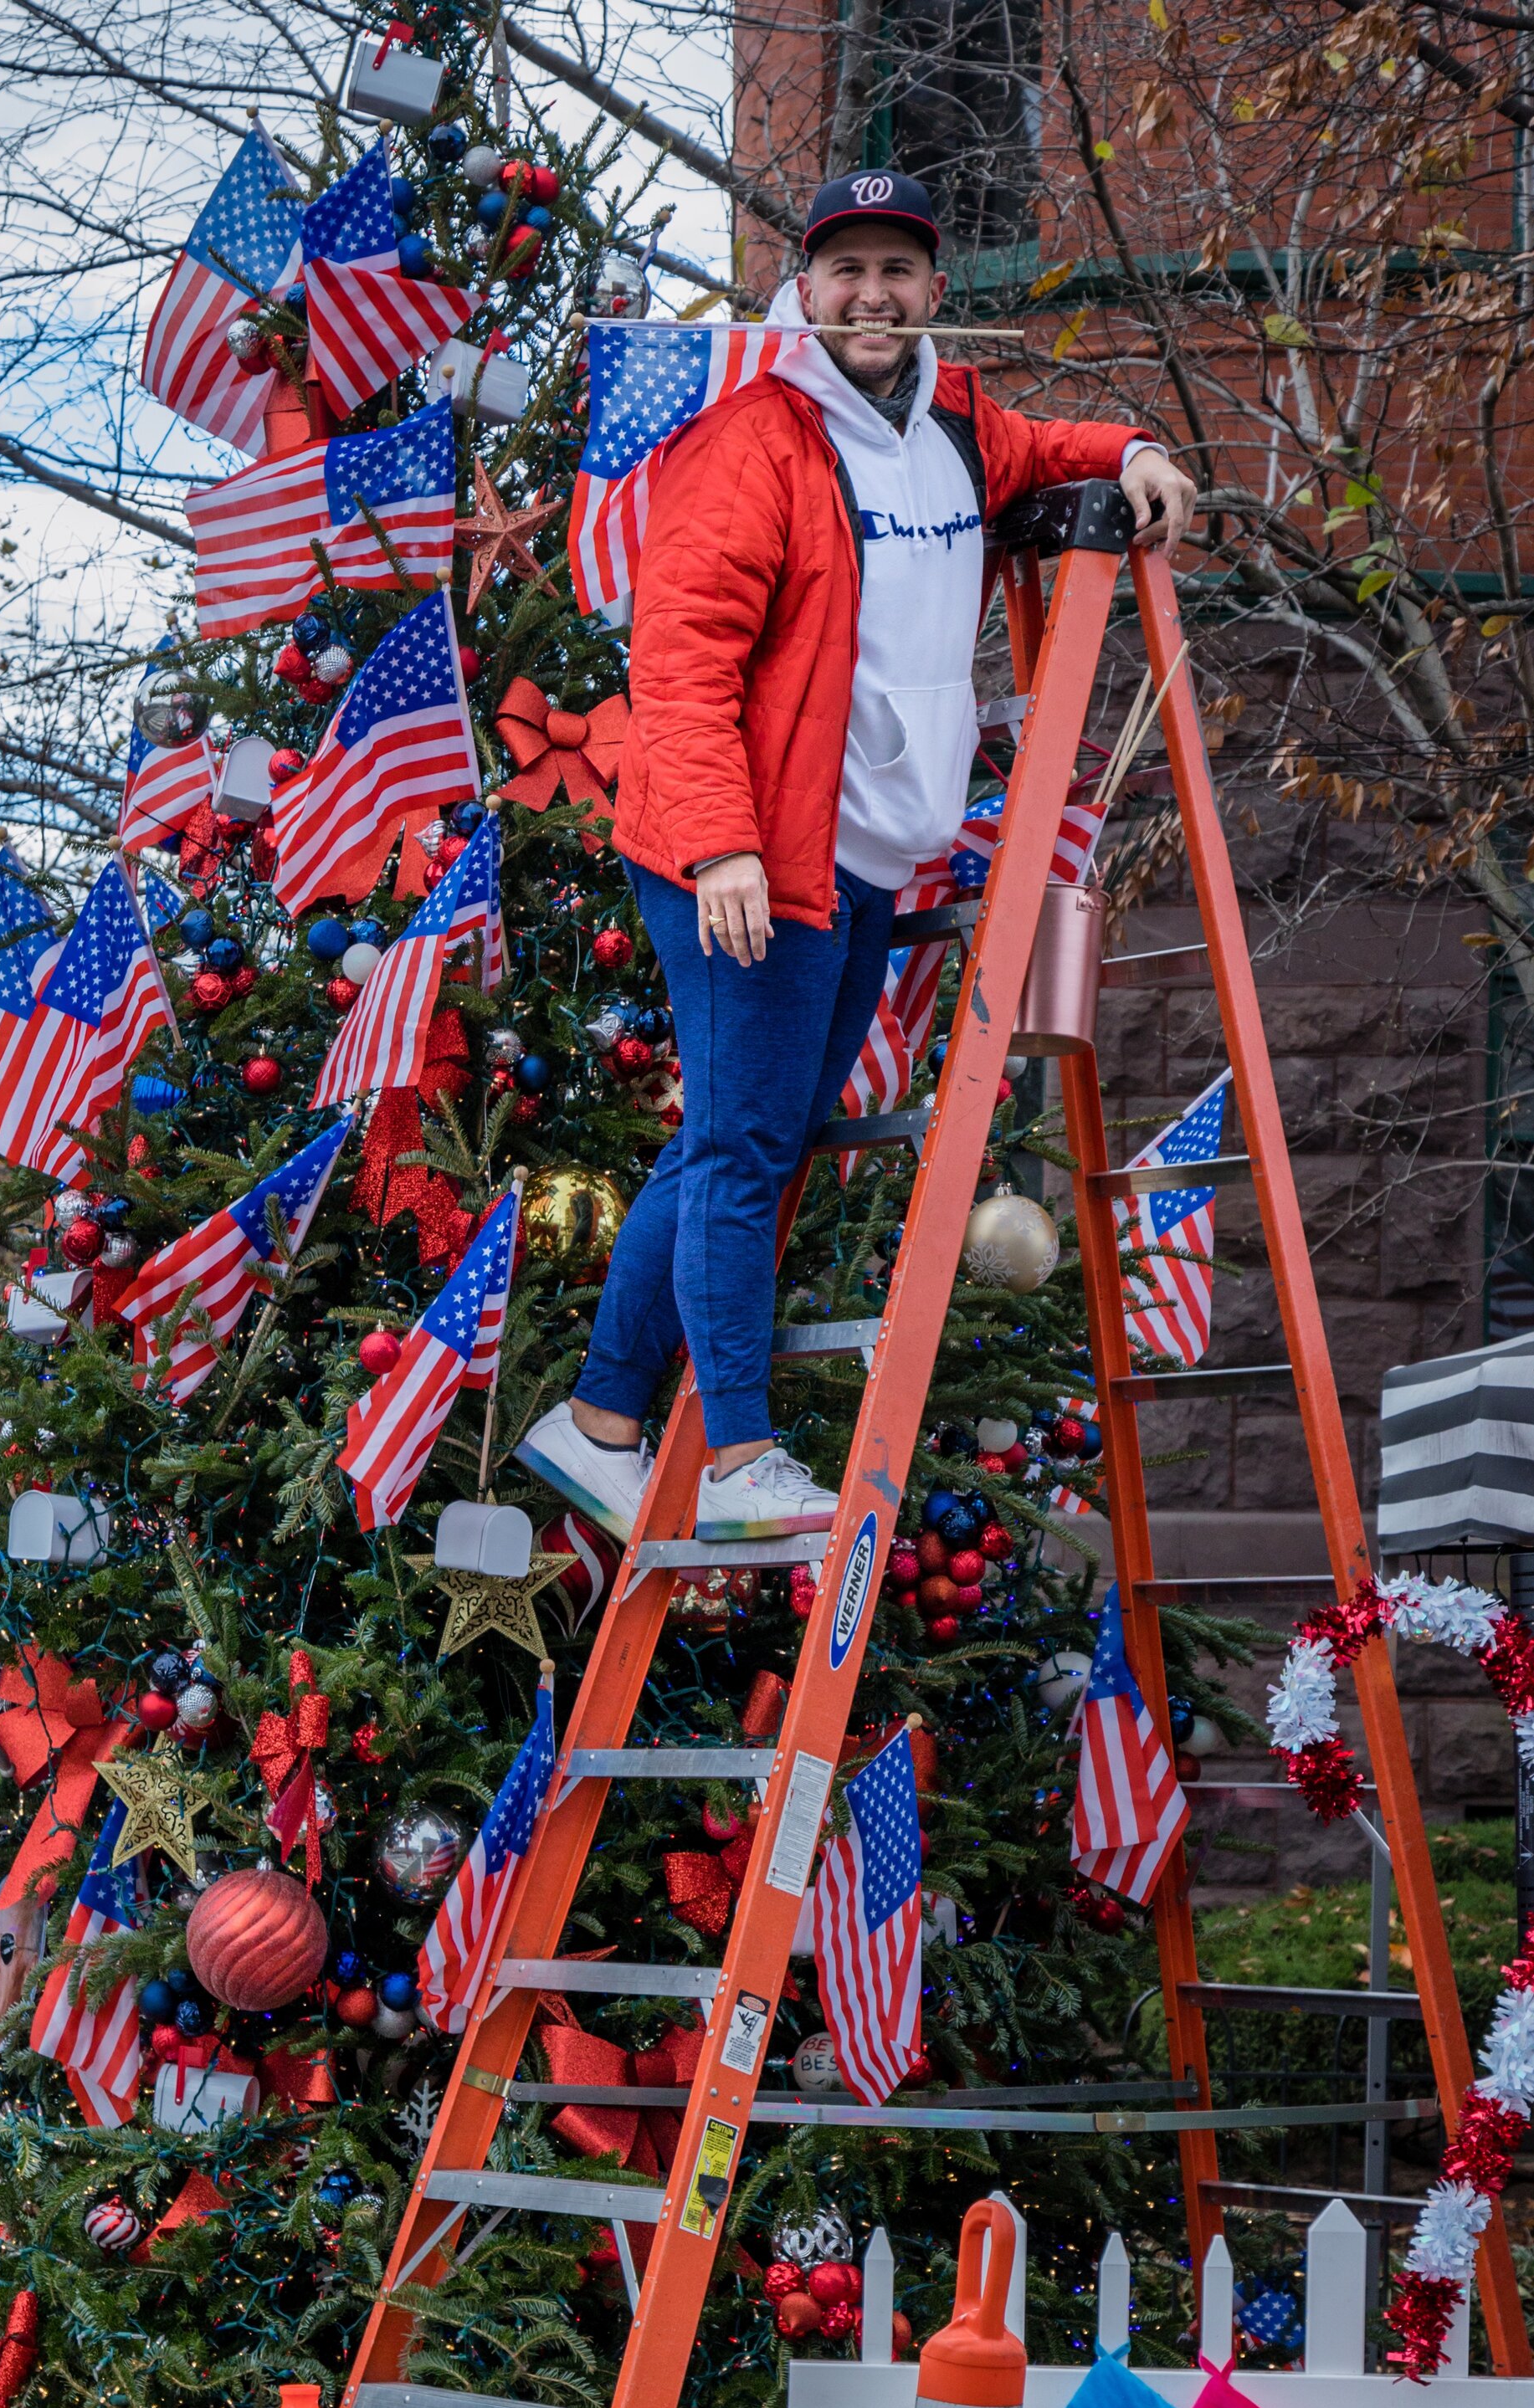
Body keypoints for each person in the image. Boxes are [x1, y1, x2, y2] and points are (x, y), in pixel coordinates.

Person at [516, 168, 1197, 1544]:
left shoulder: (954, 421)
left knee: (742, 1136)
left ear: (935, 292)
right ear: (804, 290)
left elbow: (1038, 445)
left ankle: (596, 1421)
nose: (871, 294)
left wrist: (1128, 450)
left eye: (898, 270)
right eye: (846, 271)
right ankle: (738, 1458)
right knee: (748, 1145)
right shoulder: (754, 441)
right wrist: (719, 849)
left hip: (867, 858)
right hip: (750, 852)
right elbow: (684, 663)